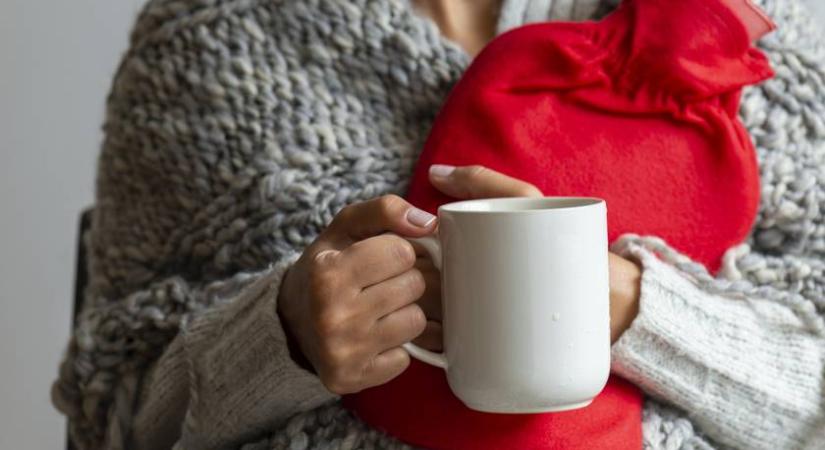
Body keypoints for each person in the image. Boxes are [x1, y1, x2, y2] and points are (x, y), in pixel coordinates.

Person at [52, 0, 825, 449]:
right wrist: (279, 338)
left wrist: (633, 308)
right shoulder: (213, 37)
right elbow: (118, 420)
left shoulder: (755, 26)